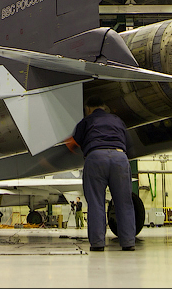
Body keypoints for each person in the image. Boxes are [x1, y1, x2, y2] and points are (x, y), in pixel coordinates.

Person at [67, 96, 135, 252]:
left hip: (96, 157)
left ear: (88, 109)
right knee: (124, 202)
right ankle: (128, 242)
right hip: (120, 157)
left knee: (96, 203)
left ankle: (98, 243)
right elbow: (130, 145)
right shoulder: (117, 120)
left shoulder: (87, 121)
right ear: (104, 107)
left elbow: (72, 144)